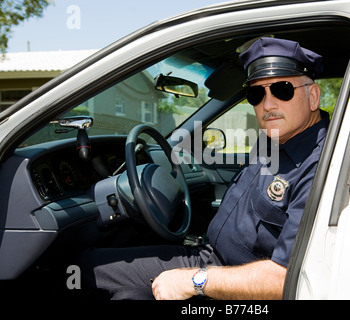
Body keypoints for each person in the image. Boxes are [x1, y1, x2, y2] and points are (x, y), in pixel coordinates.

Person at [77, 37, 329, 300]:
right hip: (208, 259)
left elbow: (286, 279)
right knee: (86, 268)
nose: (268, 105)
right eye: (256, 94)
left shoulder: (321, 167)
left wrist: (196, 281)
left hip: (239, 287)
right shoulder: (272, 138)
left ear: (312, 96)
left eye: (283, 90)